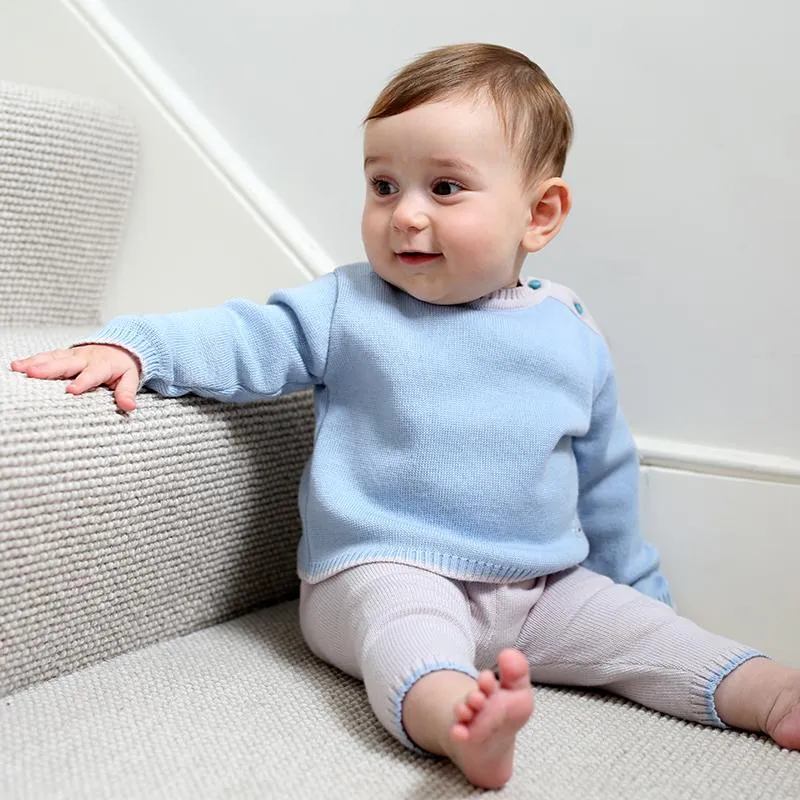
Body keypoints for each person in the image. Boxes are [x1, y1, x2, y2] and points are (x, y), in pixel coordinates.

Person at [10, 43, 800, 789]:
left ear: (541, 214)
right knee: (409, 638)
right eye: (383, 185)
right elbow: (248, 335)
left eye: (444, 188)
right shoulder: (348, 305)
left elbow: (606, 481)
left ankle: (771, 695)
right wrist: (140, 348)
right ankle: (459, 726)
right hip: (382, 568)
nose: (405, 215)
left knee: (658, 644)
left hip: (544, 584)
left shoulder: (571, 334)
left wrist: (637, 593)